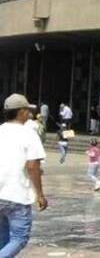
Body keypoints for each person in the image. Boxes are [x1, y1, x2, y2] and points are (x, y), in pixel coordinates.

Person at [0, 93, 48, 257]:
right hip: (16, 195)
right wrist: (40, 195)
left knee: (3, 239)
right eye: (27, 110)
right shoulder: (28, 134)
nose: (29, 114)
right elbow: (33, 166)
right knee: (19, 238)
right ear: (20, 111)